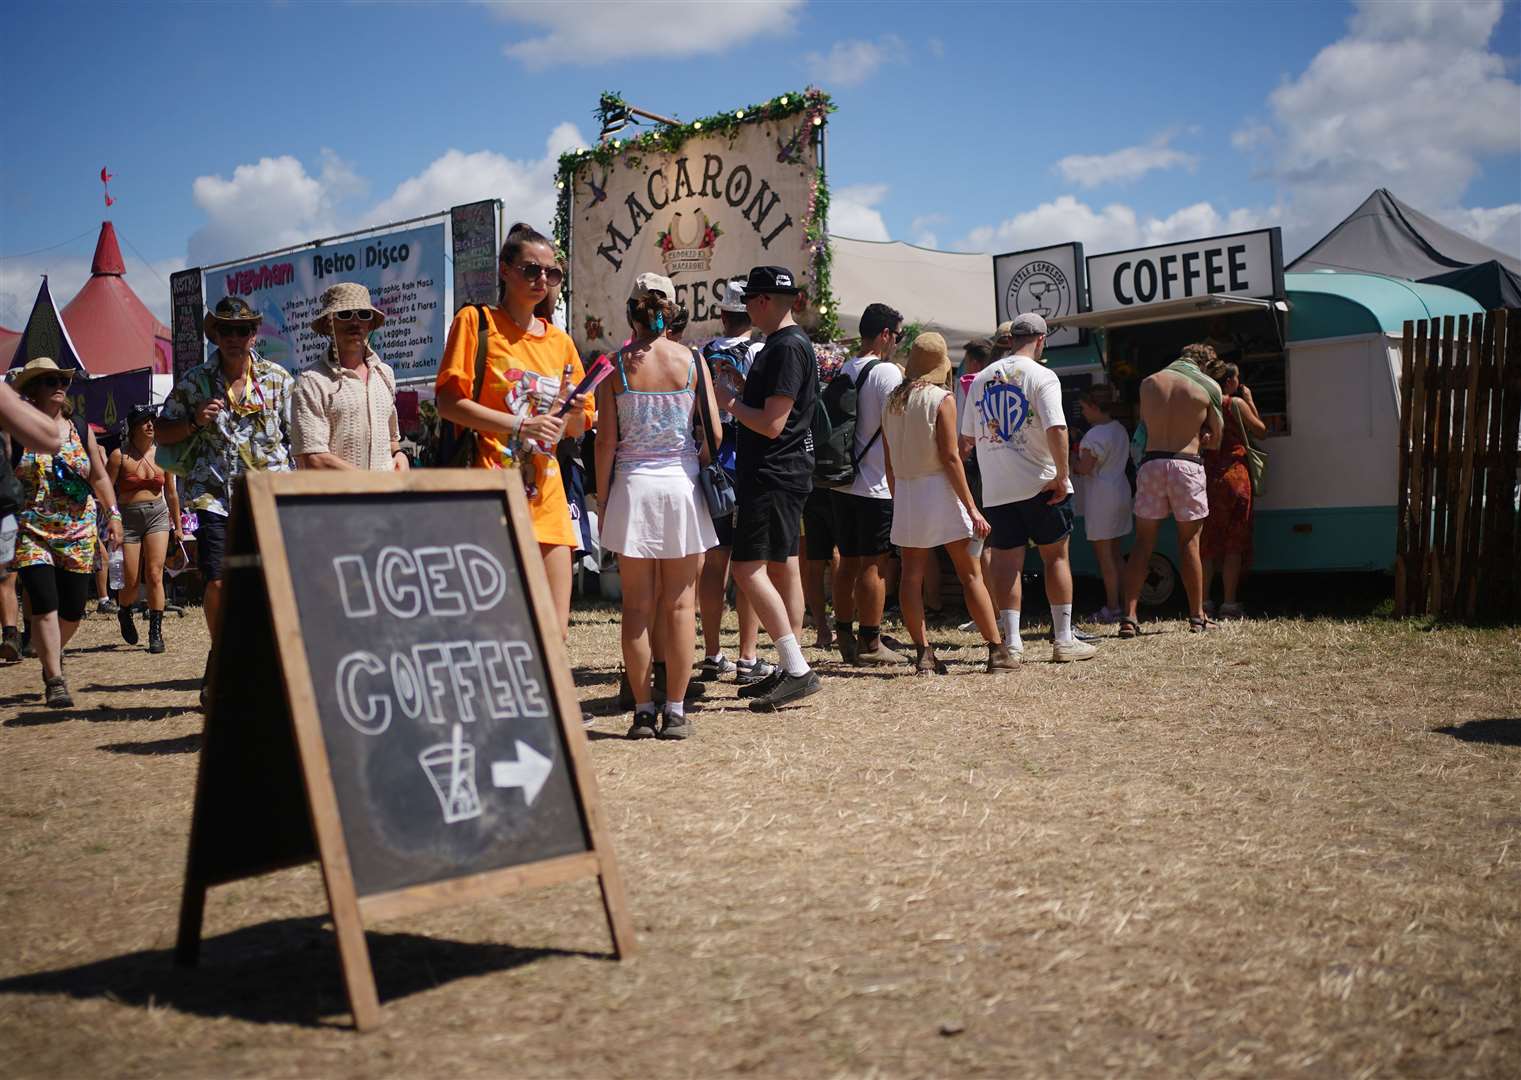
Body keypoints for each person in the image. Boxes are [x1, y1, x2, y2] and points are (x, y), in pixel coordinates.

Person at [436, 223, 592, 641]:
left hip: (548, 496)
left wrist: (571, 414)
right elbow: (449, 403)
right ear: (504, 270)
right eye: (530, 270)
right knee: (498, 625)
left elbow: (578, 426)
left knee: (554, 631)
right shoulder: (476, 322)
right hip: (490, 493)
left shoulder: (560, 343)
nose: (542, 279)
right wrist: (521, 423)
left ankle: (550, 707)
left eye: (551, 273)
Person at [595, 277, 719, 739]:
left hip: (632, 488)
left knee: (637, 608)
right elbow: (714, 433)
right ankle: (676, 710)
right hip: (681, 487)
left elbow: (606, 440)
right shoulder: (692, 361)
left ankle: (643, 710)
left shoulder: (614, 365)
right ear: (670, 312)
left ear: (632, 313)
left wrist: (603, 501)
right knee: (681, 606)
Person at [158, 296, 294, 698]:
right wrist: (194, 419)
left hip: (267, 493)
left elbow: (298, 436)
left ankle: (264, 664)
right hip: (210, 496)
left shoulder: (278, 379)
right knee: (216, 583)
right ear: (215, 334)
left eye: (244, 330)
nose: (235, 337)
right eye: (227, 330)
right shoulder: (194, 381)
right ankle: (222, 654)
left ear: (254, 334)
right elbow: (161, 434)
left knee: (270, 584)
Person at [712, 265, 823, 711]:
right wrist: (744, 391)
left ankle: (795, 668)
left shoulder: (785, 348)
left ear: (760, 302)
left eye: (748, 301)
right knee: (776, 568)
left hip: (773, 472)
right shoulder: (787, 345)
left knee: (747, 570)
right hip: (781, 472)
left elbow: (774, 424)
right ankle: (787, 666)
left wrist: (730, 403)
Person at [959, 313, 1096, 663]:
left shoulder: (980, 379)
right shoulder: (1043, 375)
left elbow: (968, 438)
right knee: (1056, 557)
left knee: (1006, 562)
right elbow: (1057, 428)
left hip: (999, 488)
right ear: (1041, 339)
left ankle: (1013, 643)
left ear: (1010, 339)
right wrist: (1063, 475)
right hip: (1041, 482)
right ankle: (1063, 639)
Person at [881, 333, 1017, 675]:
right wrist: (971, 506)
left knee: (911, 577)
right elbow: (950, 457)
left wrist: (899, 497)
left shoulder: (892, 401)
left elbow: (888, 461)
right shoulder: (942, 398)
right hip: (939, 489)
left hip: (908, 491)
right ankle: (996, 650)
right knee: (970, 573)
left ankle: (923, 653)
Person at [8, 358, 123, 706]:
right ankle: (55, 678)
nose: (59, 385)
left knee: (73, 610)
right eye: (49, 381)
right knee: (44, 602)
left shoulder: (80, 428)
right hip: (32, 528)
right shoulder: (15, 432)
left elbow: (99, 476)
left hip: (79, 530)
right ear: (31, 390)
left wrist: (113, 514)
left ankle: (50, 654)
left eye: (62, 380)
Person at [1118, 343, 1224, 637]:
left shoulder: (1149, 383)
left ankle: (1129, 617)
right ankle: (1197, 616)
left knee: (1142, 544)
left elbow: (1145, 428)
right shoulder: (1207, 386)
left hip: (1152, 464)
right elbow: (1215, 439)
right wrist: (1200, 434)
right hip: (1186, 464)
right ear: (1204, 365)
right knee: (1189, 542)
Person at [696, 279, 771, 684]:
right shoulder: (763, 352)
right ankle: (747, 655)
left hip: (712, 460)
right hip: (752, 460)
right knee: (749, 563)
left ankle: (711, 651)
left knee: (715, 562)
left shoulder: (703, 354)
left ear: (723, 314)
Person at [826, 302, 905, 665]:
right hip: (875, 486)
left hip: (842, 483)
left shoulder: (845, 367)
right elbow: (894, 433)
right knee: (875, 566)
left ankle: (845, 636)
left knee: (847, 563)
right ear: (885, 335)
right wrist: (897, 480)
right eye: (898, 336)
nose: (897, 343)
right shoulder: (887, 373)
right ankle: (871, 644)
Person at [292, 283, 409, 472]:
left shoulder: (385, 374)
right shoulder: (311, 382)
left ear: (370, 324)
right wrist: (369, 484)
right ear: (328, 324)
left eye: (363, 314)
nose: (355, 322)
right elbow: (314, 457)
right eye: (344, 314)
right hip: (337, 500)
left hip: (387, 498)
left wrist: (400, 455)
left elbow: (392, 439)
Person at [107, 404, 183, 653]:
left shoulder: (163, 453)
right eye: (144, 421)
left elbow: (171, 493)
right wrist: (112, 518)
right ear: (133, 428)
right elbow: (106, 490)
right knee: (130, 580)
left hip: (157, 516)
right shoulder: (119, 456)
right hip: (127, 519)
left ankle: (155, 632)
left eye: (152, 420)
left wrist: (178, 525)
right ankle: (125, 611)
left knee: (154, 573)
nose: (151, 425)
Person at [1200, 361, 1267, 619]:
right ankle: (1229, 603)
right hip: (1235, 476)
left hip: (1208, 476)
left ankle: (1204, 601)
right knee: (1233, 543)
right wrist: (1250, 401)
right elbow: (1261, 432)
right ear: (1229, 382)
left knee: (1207, 543)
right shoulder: (1234, 404)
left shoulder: (1205, 406)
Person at [0, 380, 61, 661]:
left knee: (13, 578)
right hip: (13, 511)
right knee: (10, 578)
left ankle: (18, 633)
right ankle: (13, 632)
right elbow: (50, 437)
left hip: (13, 512)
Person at [1073, 384, 1132, 623]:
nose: (1084, 413)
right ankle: (1127, 604)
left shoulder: (1094, 435)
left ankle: (1112, 607)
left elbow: (1084, 468)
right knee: (1117, 554)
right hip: (1120, 491)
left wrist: (1070, 460)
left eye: (1085, 408)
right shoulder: (1118, 429)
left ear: (1096, 407)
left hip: (1101, 497)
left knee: (1105, 557)